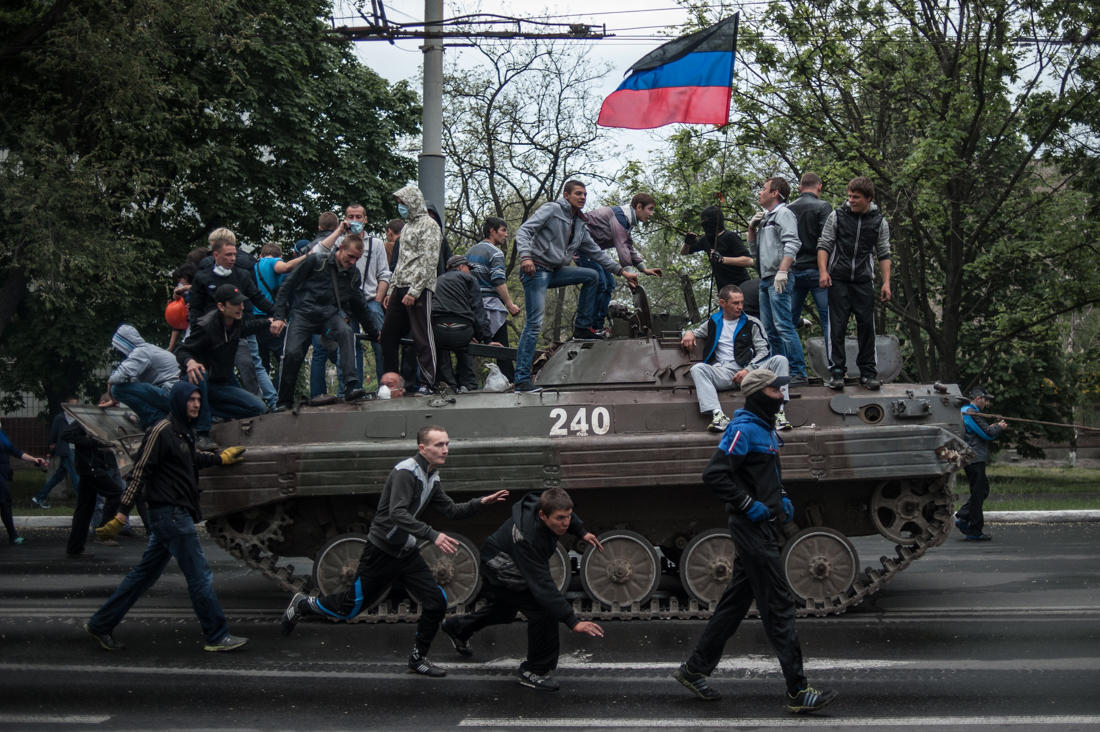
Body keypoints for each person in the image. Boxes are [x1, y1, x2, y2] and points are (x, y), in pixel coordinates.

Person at [280, 425, 509, 678]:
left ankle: (418, 658)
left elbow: (451, 510)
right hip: (381, 551)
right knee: (349, 609)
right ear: (422, 448)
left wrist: (480, 502)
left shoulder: (432, 476)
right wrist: (433, 535)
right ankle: (304, 604)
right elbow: (397, 513)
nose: (446, 449)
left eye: (447, 444)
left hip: (406, 551)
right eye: (439, 445)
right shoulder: (406, 472)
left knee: (436, 601)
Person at [672, 369, 837, 713]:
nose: (782, 395)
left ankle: (694, 669)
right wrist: (750, 505)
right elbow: (715, 474)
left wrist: (781, 497)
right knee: (779, 605)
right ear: (760, 393)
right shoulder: (744, 428)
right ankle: (797, 691)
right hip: (751, 528)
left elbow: (765, 475)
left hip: (764, 524)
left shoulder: (765, 428)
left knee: (733, 605)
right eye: (777, 390)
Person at [83, 381, 250, 652]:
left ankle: (101, 623)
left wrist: (220, 459)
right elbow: (139, 472)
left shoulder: (183, 432)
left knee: (142, 577)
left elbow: (189, 458)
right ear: (178, 401)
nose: (196, 404)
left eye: (198, 399)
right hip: (170, 515)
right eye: (190, 399)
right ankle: (217, 636)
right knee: (200, 576)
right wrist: (122, 514)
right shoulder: (161, 431)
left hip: (171, 516)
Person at [441, 487, 605, 691]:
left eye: (568, 517)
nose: (565, 523)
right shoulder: (528, 538)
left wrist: (581, 531)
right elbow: (542, 585)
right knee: (543, 611)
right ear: (542, 515)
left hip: (499, 555)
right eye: (560, 519)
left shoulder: (545, 503)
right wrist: (573, 622)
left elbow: (564, 510)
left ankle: (457, 627)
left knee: (504, 610)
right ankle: (534, 670)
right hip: (502, 564)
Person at [513, 180, 639, 393]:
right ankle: (522, 380)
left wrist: (621, 271)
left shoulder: (580, 222)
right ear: (566, 195)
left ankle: (582, 327)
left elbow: (596, 252)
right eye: (578, 194)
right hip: (535, 270)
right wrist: (525, 257)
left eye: (585, 194)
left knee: (592, 276)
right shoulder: (552, 210)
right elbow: (524, 231)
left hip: (555, 271)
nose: (582, 197)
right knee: (535, 323)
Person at [271, 235, 376, 410]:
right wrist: (279, 316)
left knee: (346, 332)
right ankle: (284, 400)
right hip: (303, 313)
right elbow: (287, 285)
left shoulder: (352, 274)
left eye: (356, 259)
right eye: (350, 256)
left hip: (328, 314)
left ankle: (351, 386)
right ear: (340, 248)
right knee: (292, 352)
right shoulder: (316, 261)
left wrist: (374, 332)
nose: (352, 261)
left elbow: (359, 304)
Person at [681, 285, 792, 433]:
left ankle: (778, 413)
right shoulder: (713, 322)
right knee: (697, 369)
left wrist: (748, 370)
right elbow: (695, 331)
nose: (740, 307)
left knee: (780, 360)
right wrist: (688, 333)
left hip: (752, 373)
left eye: (741, 303)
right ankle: (718, 415)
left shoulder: (752, 322)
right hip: (725, 373)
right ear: (722, 303)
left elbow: (765, 351)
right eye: (735, 303)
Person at [816, 176, 892, 391]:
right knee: (837, 326)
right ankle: (837, 371)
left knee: (867, 326)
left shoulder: (879, 222)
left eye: (856, 197)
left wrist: (886, 283)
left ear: (868, 198)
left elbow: (884, 253)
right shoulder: (837, 216)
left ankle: (868, 372)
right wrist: (823, 272)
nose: (851, 200)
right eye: (849, 196)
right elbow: (824, 244)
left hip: (863, 280)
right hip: (838, 278)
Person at [176, 284, 270, 451]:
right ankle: (202, 433)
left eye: (241, 303)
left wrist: (269, 322)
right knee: (200, 373)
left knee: (258, 408)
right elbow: (182, 350)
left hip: (219, 383)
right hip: (197, 384)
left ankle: (208, 410)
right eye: (235, 304)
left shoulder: (236, 323)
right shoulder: (206, 327)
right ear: (221, 306)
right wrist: (190, 362)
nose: (241, 307)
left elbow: (249, 327)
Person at [189, 228, 277, 404]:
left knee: (251, 365)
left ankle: (265, 403)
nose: (233, 259)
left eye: (234, 254)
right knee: (214, 369)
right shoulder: (203, 277)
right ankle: (216, 405)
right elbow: (195, 308)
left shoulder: (241, 275)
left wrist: (278, 314)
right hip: (211, 333)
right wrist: (196, 328)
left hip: (239, 329)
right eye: (228, 255)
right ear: (215, 254)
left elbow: (257, 297)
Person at [747, 177, 808, 384]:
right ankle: (779, 371)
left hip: (778, 277)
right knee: (769, 329)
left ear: (774, 193)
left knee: (783, 325)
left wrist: (783, 271)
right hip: (765, 278)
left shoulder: (784, 213)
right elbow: (754, 253)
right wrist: (751, 230)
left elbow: (793, 242)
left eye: (763, 189)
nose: (760, 192)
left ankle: (798, 372)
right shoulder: (766, 218)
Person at [381, 186, 442, 393]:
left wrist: (415, 291)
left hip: (419, 287)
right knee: (388, 334)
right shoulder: (406, 227)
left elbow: (429, 260)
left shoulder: (429, 225)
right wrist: (390, 290)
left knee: (421, 335)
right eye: (399, 204)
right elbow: (400, 262)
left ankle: (428, 382)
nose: (400, 207)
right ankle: (390, 383)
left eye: (403, 203)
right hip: (399, 286)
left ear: (413, 202)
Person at [583, 193, 664, 332]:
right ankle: (586, 326)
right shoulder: (620, 217)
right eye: (650, 209)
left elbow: (627, 245)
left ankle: (598, 326)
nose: (651, 214)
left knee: (609, 284)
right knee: (600, 282)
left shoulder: (627, 220)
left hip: (594, 252)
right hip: (582, 248)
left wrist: (643, 268)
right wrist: (629, 275)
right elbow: (621, 246)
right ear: (639, 207)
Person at [466, 217, 522, 382]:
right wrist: (510, 304)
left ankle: (466, 383)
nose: (506, 235)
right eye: (503, 230)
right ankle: (510, 381)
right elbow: (498, 281)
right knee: (502, 347)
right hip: (491, 306)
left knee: (470, 347)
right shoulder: (496, 253)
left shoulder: (470, 252)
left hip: (471, 306)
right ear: (492, 230)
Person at [59, 421, 124, 559]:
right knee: (116, 492)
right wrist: (92, 442)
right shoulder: (83, 421)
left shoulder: (101, 422)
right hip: (90, 468)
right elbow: (66, 435)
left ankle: (75, 548)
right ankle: (102, 531)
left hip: (92, 468)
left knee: (84, 510)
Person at [98, 324, 180, 429]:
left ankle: (157, 418)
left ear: (125, 344)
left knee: (117, 389)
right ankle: (150, 419)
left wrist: (112, 397)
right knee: (134, 388)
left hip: (169, 393)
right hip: (176, 396)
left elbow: (116, 378)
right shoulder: (150, 349)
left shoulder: (141, 351)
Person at [431, 255, 494, 392]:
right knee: (465, 348)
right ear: (460, 267)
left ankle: (448, 384)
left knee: (441, 350)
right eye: (468, 268)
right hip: (462, 330)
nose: (469, 271)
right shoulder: (469, 279)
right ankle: (469, 384)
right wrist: (486, 338)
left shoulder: (436, 280)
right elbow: (478, 309)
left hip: (437, 330)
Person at [786, 173, 833, 346]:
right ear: (819, 186)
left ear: (799, 188)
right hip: (817, 269)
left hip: (794, 269)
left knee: (788, 322)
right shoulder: (823, 207)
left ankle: (788, 365)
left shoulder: (788, 209)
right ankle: (833, 365)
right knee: (828, 320)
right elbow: (828, 239)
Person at [956, 387, 1007, 542]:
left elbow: (977, 431)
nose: (987, 403)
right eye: (985, 399)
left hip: (972, 457)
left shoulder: (966, 412)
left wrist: (991, 427)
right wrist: (999, 427)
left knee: (982, 490)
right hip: (974, 457)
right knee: (979, 492)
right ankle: (972, 528)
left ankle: (964, 517)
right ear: (978, 398)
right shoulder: (970, 411)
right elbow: (987, 434)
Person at [252, 242, 307, 379]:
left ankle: (263, 397)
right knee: (286, 360)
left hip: (254, 320)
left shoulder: (253, 266)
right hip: (273, 319)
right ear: (280, 256)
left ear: (260, 255)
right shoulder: (273, 263)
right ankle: (279, 395)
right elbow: (286, 271)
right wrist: (309, 256)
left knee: (261, 365)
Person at [681, 205, 753, 294]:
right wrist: (687, 242)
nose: (705, 225)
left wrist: (723, 259)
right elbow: (684, 252)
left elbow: (749, 261)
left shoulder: (730, 237)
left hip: (742, 288)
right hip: (724, 292)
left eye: (707, 221)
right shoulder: (705, 240)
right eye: (702, 222)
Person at [0, 421, 47, 545]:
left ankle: (13, 536)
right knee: (5, 501)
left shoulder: (2, 435)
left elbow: (15, 451)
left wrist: (34, 459)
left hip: (3, 473)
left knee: (5, 503)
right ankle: (13, 535)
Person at [32, 397, 80, 509]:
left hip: (74, 449)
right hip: (66, 450)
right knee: (76, 476)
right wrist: (51, 449)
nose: (73, 407)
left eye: (75, 405)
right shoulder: (60, 418)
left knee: (57, 477)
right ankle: (82, 500)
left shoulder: (77, 418)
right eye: (71, 405)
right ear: (66, 406)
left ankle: (38, 498)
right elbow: (53, 434)